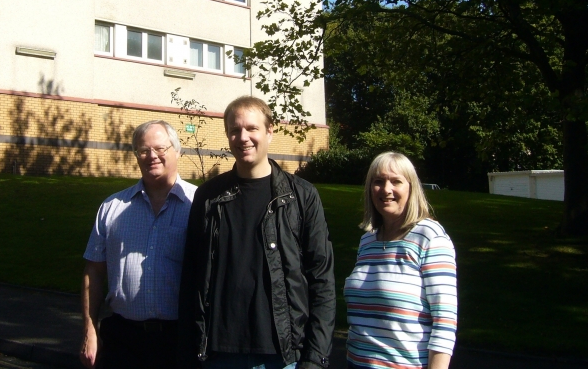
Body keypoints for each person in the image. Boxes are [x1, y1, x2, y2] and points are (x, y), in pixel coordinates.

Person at [179, 96, 336, 369]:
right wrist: (189, 348)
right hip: (219, 353)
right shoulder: (209, 197)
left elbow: (321, 278)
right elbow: (191, 275)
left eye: (252, 128)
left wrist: (315, 356)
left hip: (283, 355)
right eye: (234, 130)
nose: (243, 137)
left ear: (270, 131)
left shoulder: (301, 196)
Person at [80, 120, 197, 369]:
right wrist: (90, 331)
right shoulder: (112, 208)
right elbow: (94, 273)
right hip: (123, 340)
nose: (151, 156)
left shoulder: (199, 206)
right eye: (143, 150)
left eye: (160, 148)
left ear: (177, 151)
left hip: (181, 340)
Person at [344, 152, 457, 369]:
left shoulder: (430, 237)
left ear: (411, 188)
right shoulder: (367, 241)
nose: (386, 189)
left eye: (396, 181)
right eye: (378, 182)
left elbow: (444, 322)